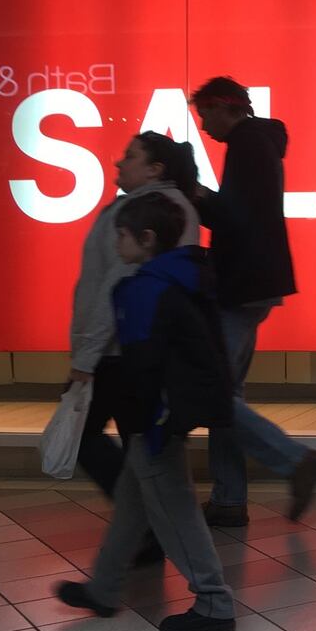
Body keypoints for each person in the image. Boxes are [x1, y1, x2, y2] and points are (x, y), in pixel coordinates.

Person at [54, 191, 237, 631]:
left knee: (176, 512)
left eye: (122, 235)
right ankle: (103, 588)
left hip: (152, 420)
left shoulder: (143, 290)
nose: (116, 244)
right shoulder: (186, 276)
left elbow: (142, 364)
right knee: (132, 506)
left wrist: (140, 420)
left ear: (146, 238)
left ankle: (214, 602)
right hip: (165, 414)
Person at [190, 76, 316, 526]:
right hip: (257, 282)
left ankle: (293, 460)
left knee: (210, 391)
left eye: (204, 113)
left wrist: (196, 194)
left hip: (241, 283)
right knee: (225, 392)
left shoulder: (247, 144)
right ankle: (229, 499)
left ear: (224, 106)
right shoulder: (260, 141)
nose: (203, 125)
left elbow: (234, 217)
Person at [69, 132, 202, 566]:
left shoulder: (146, 211)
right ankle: (137, 549)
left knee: (92, 440)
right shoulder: (165, 206)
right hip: (125, 350)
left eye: (130, 156)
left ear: (155, 168)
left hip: (118, 351)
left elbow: (116, 283)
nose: (118, 164)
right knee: (138, 457)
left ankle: (153, 543)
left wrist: (86, 357)